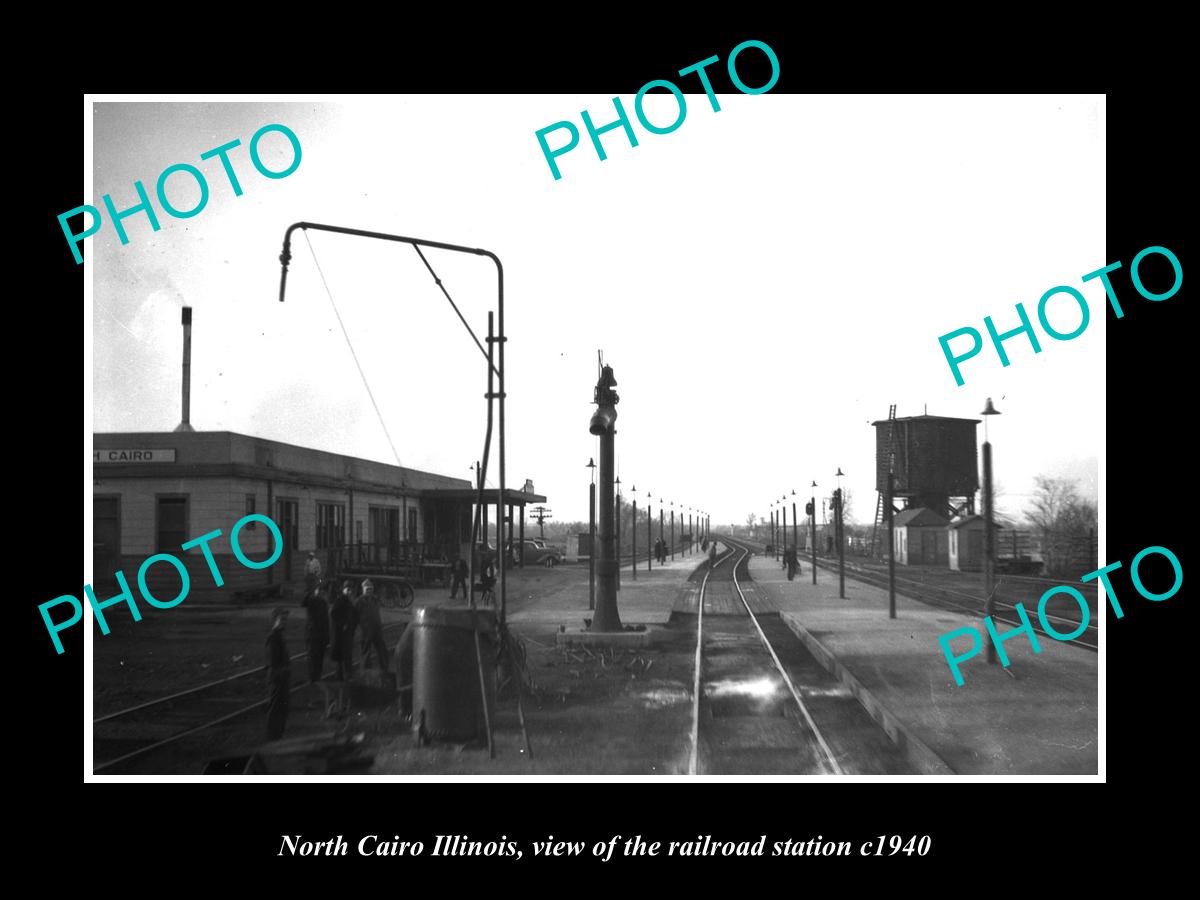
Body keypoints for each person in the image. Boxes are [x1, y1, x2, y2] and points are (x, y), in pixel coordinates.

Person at [265, 607, 290, 740]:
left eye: (286, 620)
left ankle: (278, 736)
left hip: (282, 678)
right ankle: (272, 737)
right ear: (275, 620)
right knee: (275, 709)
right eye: (282, 619)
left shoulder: (280, 635)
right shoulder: (273, 637)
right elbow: (273, 662)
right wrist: (283, 671)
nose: (285, 622)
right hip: (276, 679)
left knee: (282, 709)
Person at [301, 580, 330, 691]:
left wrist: (327, 638)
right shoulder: (311, 600)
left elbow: (326, 621)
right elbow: (303, 602)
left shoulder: (323, 603)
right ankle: (312, 681)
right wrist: (309, 591)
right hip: (312, 636)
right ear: (315, 591)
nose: (321, 592)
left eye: (322, 590)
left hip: (322, 636)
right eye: (319, 590)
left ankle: (317, 679)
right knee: (312, 659)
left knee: (319, 659)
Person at [356, 579, 390, 673]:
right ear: (363, 590)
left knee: (382, 651)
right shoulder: (359, 602)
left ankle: (384, 670)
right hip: (365, 631)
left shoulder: (375, 600)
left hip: (377, 629)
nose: (369, 591)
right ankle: (365, 672)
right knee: (366, 652)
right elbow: (355, 616)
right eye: (367, 590)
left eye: (371, 589)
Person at [330, 580, 358, 681]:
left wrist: (353, 626)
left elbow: (354, 615)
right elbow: (334, 614)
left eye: (351, 590)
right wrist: (343, 624)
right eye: (348, 589)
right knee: (342, 658)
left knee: (346, 656)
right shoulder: (340, 600)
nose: (350, 592)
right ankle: (342, 679)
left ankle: (344, 677)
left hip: (348, 634)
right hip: (340, 635)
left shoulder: (350, 601)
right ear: (344, 590)